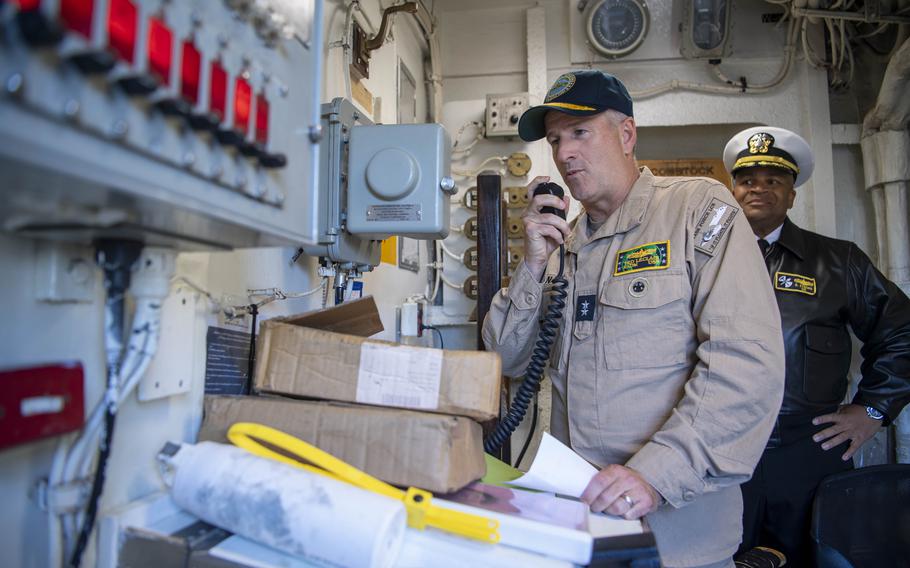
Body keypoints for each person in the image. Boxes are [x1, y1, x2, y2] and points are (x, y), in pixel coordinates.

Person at [482, 69, 786, 568]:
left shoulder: (695, 209)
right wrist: (532, 265)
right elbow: (504, 359)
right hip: (580, 524)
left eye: (580, 132)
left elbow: (746, 364)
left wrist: (657, 475)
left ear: (626, 134)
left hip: (677, 532)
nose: (564, 153)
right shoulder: (563, 243)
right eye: (556, 140)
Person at [723, 126, 910, 566]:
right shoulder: (700, 257)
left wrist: (874, 409)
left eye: (774, 180)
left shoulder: (838, 261)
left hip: (809, 451)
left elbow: (902, 329)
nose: (760, 189)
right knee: (718, 557)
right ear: (732, 189)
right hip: (721, 449)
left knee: (814, 558)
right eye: (748, 179)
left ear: (792, 194)